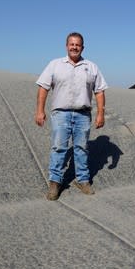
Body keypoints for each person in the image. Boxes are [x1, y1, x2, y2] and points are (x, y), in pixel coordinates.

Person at [35, 32, 108, 200]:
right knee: (59, 148)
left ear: (83, 47)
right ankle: (55, 182)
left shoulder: (91, 66)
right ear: (66, 46)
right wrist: (40, 110)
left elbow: (99, 91)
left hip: (83, 114)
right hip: (61, 114)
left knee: (81, 148)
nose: (74, 47)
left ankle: (82, 180)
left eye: (78, 44)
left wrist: (100, 114)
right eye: (72, 44)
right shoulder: (55, 65)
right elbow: (43, 88)